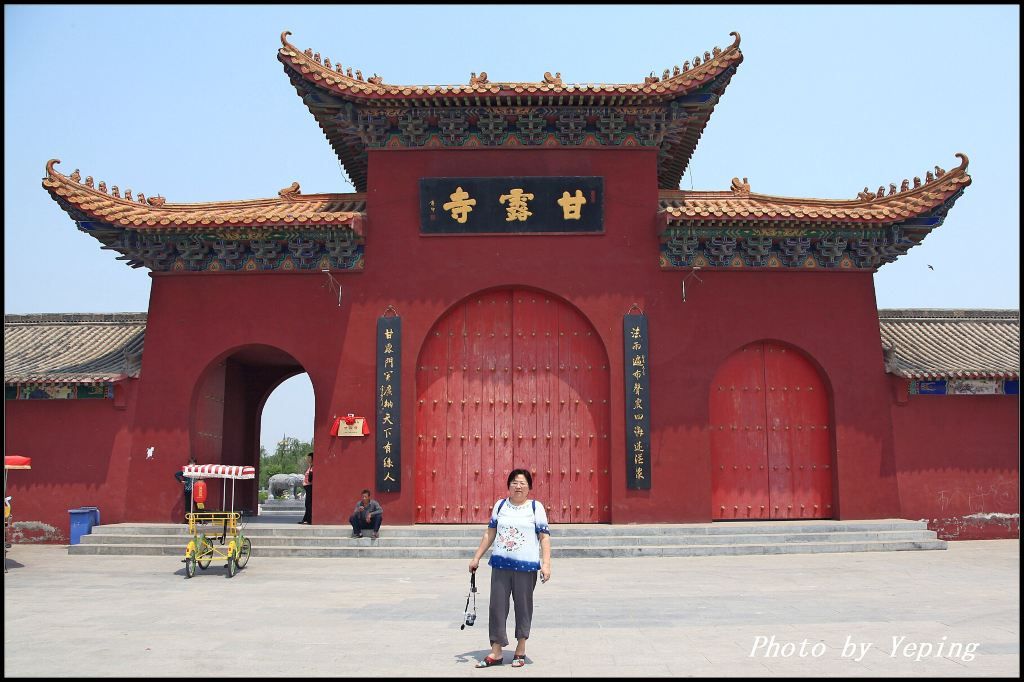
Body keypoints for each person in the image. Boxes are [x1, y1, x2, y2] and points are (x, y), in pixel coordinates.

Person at [468, 469, 551, 668]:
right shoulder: (500, 505)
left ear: (529, 487)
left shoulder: (535, 507)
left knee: (523, 607)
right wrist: (476, 557)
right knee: (497, 607)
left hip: (526, 567)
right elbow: (490, 534)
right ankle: (496, 651)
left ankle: (520, 649)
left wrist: (546, 564)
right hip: (500, 565)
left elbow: (544, 537)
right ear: (509, 485)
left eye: (522, 483)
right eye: (514, 482)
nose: (518, 486)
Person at [173, 455, 197, 522]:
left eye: (193, 463)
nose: (192, 465)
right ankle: (187, 520)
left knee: (197, 505)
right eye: (191, 463)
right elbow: (176, 474)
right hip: (188, 490)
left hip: (196, 491)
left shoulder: (197, 470)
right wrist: (181, 481)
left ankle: (200, 519)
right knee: (188, 505)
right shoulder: (185, 471)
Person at [298, 452, 313, 525]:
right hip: (307, 488)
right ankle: (306, 519)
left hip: (310, 487)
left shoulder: (313, 467)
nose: (307, 459)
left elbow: (311, 478)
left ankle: (308, 520)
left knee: (308, 504)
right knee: (307, 504)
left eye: (309, 458)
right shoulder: (310, 467)